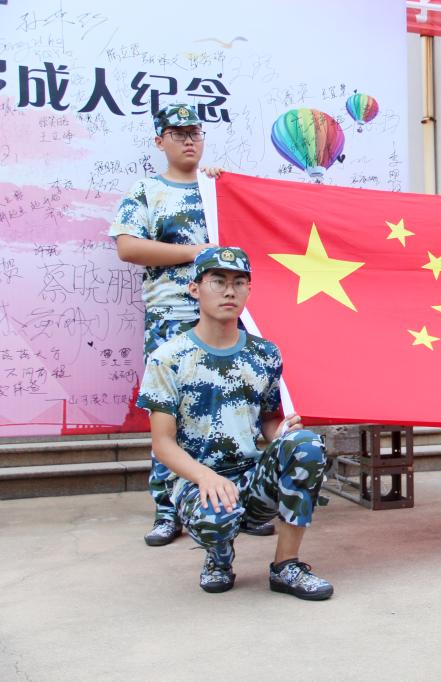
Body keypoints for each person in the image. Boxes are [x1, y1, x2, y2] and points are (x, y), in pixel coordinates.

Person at [109, 102, 273, 545]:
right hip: (172, 319)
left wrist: (225, 187)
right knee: (169, 417)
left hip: (231, 319)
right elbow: (128, 247)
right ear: (159, 141)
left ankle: (247, 501)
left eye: (195, 133)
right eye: (178, 134)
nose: (188, 141)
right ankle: (168, 509)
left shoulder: (217, 188)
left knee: (239, 410)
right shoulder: (147, 190)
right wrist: (195, 253)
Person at [137, 247, 333, 599]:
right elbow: (162, 444)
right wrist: (205, 476)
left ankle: (286, 566)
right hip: (197, 481)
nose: (229, 291)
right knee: (216, 517)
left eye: (239, 283)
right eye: (218, 281)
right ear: (195, 289)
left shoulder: (264, 354)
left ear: (248, 291)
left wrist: (282, 434)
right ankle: (219, 559)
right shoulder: (167, 359)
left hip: (250, 474)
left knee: (305, 445)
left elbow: (268, 419)